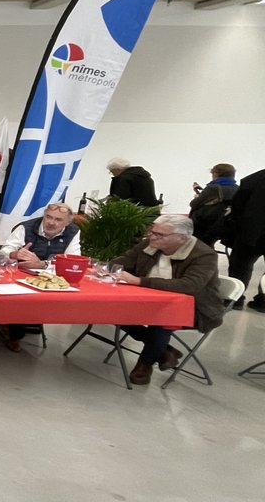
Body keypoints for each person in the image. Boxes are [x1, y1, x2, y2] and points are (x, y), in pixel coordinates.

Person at [112, 216, 223, 385]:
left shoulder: (204, 255)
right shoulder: (148, 245)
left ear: (182, 238)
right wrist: (104, 268)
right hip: (147, 301)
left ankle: (145, 364)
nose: (152, 237)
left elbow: (190, 285)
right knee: (109, 310)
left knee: (163, 320)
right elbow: (120, 262)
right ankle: (163, 351)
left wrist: (140, 281)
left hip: (195, 309)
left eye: (160, 234)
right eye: (152, 232)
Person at [0, 201, 82, 351]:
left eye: (58, 220)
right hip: (20, 276)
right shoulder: (26, 227)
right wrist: (14, 254)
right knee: (21, 298)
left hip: (51, 280)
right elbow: (2, 254)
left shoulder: (73, 232)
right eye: (48, 217)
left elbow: (71, 262)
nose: (51, 222)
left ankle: (15, 325)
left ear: (67, 222)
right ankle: (13, 332)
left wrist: (42, 265)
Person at [227, 167, 265, 311]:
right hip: (253, 229)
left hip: (253, 230)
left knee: (240, 265)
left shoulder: (256, 178)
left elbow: (238, 204)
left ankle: (235, 299)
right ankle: (263, 301)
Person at [189, 163, 238, 246]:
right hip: (224, 225)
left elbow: (193, 204)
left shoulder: (212, 188)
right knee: (208, 242)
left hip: (204, 224)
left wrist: (197, 197)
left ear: (215, 174)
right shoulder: (238, 188)